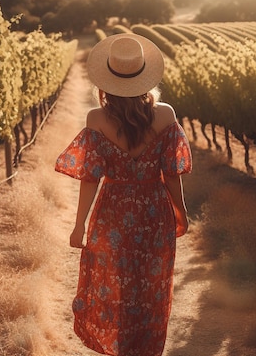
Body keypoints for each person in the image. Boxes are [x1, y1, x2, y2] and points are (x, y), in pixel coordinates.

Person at [55, 33, 192, 356]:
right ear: (144, 77)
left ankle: (122, 349)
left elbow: (90, 178)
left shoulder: (96, 119)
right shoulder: (166, 115)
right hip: (153, 211)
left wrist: (80, 225)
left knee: (115, 285)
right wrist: (181, 212)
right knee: (151, 288)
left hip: (112, 212)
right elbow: (171, 174)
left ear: (107, 80)